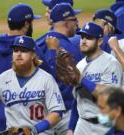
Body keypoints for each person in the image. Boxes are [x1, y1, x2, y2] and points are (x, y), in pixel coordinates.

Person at [0, 36, 65, 135]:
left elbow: (57, 113)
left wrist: (33, 131)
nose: (19, 54)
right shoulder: (2, 79)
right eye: (16, 51)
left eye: (24, 51)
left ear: (33, 55)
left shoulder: (46, 79)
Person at [0, 3, 54, 134]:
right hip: (28, 124)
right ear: (26, 24)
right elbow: (50, 81)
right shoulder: (31, 49)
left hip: (1, 124)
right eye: (31, 22)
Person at [67, 22, 123, 135]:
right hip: (82, 125)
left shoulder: (111, 63)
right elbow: (77, 100)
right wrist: (71, 128)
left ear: (100, 41)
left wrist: (81, 79)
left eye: (89, 38)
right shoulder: (79, 66)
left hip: (104, 126)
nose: (83, 41)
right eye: (82, 37)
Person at [37, 3, 82, 135]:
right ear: (67, 23)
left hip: (43, 113)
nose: (77, 23)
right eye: (75, 20)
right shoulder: (71, 48)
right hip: (66, 112)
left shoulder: (38, 42)